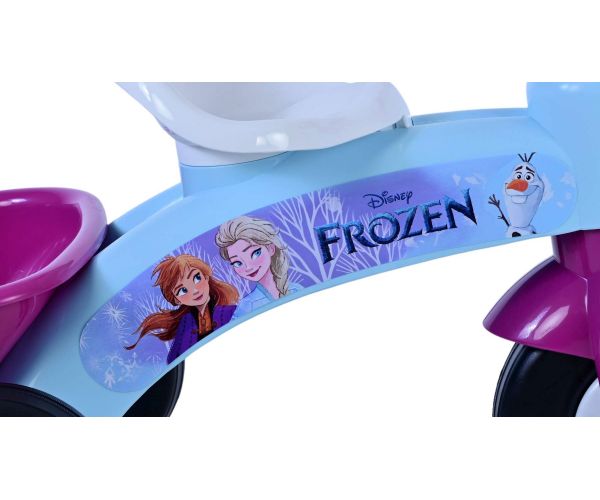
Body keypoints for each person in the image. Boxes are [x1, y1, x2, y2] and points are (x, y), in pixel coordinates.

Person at [127, 254, 238, 364]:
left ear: (206, 276)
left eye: (197, 278)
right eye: (183, 290)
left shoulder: (230, 311)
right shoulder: (185, 323)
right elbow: (173, 358)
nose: (195, 291)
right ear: (177, 300)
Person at [215, 216, 302, 319]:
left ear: (270, 248)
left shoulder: (295, 289)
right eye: (238, 263)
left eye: (255, 253)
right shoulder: (245, 307)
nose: (248, 267)